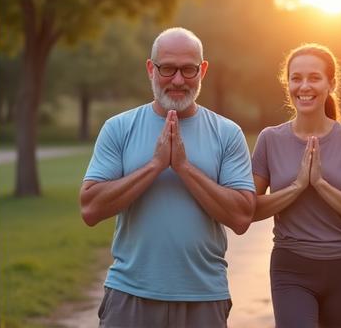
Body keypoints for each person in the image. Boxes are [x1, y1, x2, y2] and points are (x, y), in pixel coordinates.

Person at [79, 27, 256, 328]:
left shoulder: (228, 133)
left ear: (203, 70)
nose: (177, 80)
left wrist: (184, 167)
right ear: (151, 69)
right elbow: (90, 209)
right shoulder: (118, 128)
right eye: (167, 68)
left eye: (188, 70)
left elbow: (241, 217)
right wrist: (155, 166)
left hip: (204, 297)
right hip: (130, 295)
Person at [251, 43, 341, 328]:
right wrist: (297, 186)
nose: (304, 86)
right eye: (296, 78)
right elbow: (248, 209)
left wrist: (320, 184)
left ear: (331, 84)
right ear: (287, 84)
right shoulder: (270, 139)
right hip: (290, 267)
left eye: (314, 77)